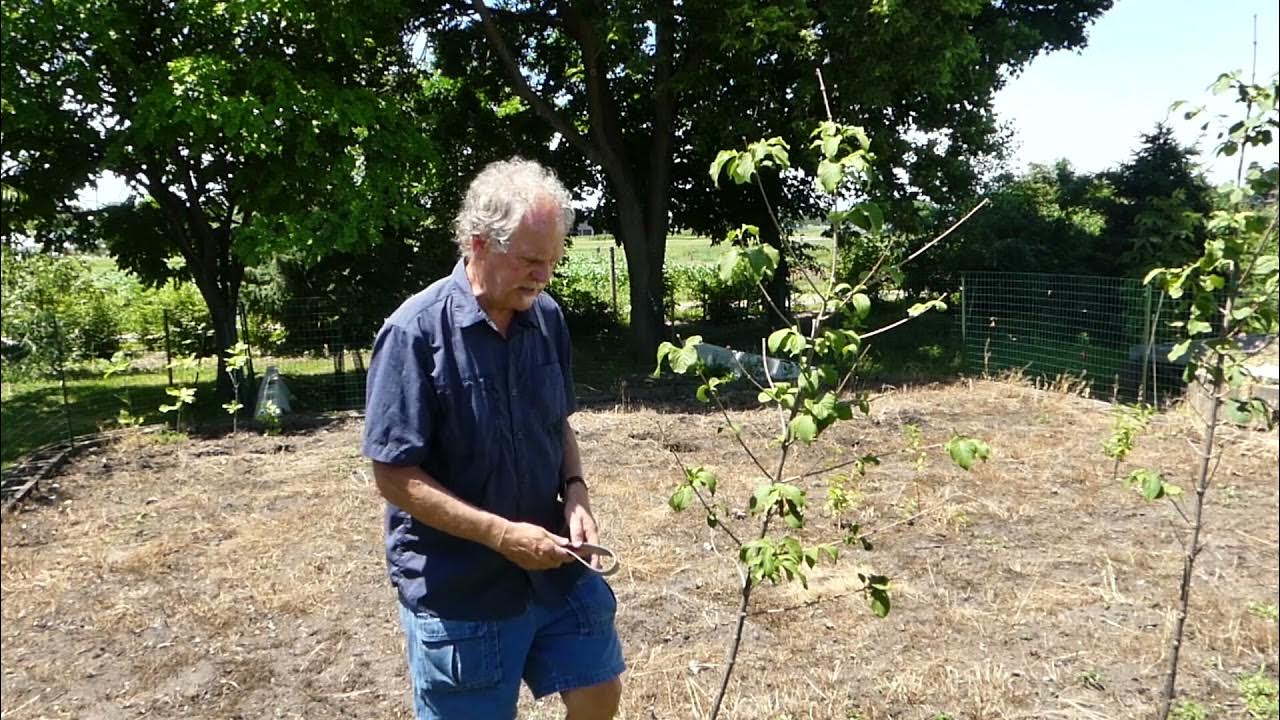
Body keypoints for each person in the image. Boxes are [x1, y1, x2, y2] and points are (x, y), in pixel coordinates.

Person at [362, 158, 624, 719]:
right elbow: (393, 475)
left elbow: (559, 423)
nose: (544, 275)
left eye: (553, 261)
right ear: (479, 243)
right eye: (531, 260)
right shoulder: (415, 333)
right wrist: (501, 535)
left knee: (600, 689)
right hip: (461, 588)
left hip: (555, 568)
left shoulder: (546, 318)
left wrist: (576, 492)